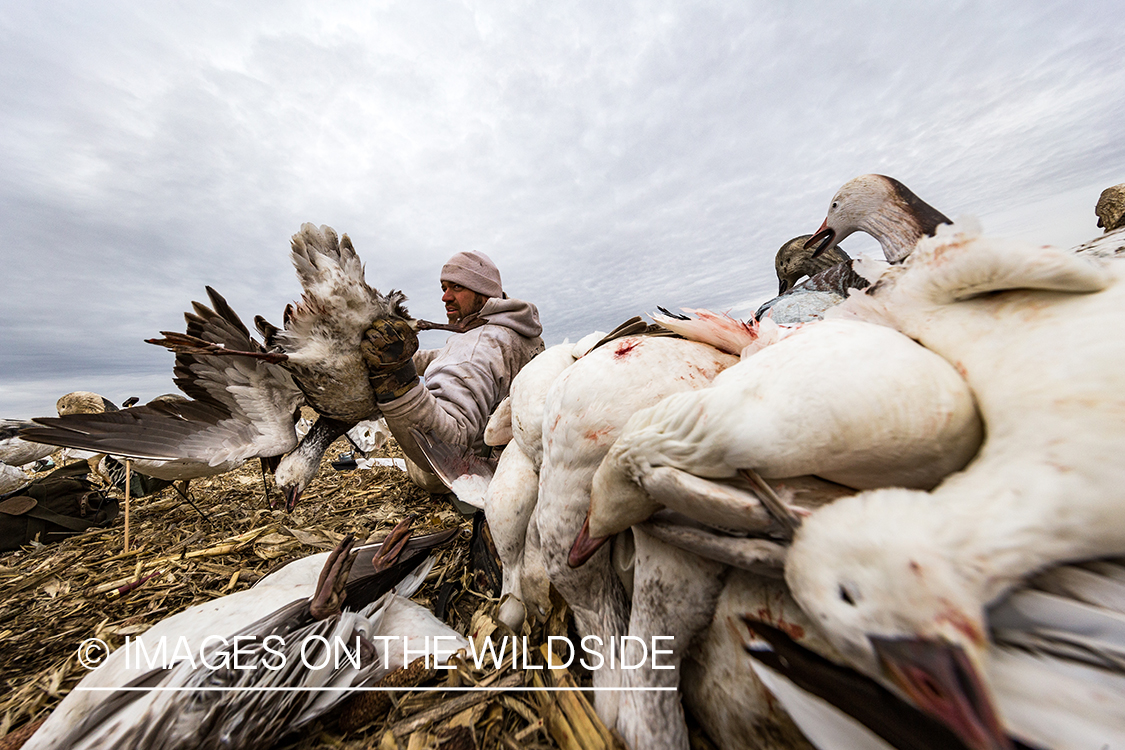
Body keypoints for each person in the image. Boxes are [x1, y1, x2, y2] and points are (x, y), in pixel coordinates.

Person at [362, 250, 544, 493]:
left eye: (457, 287)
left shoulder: (474, 348)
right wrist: (406, 358)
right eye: (443, 288)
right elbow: (455, 357)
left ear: (483, 292)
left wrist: (394, 380)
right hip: (520, 461)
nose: (445, 297)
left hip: (465, 476)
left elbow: (449, 445)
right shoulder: (517, 333)